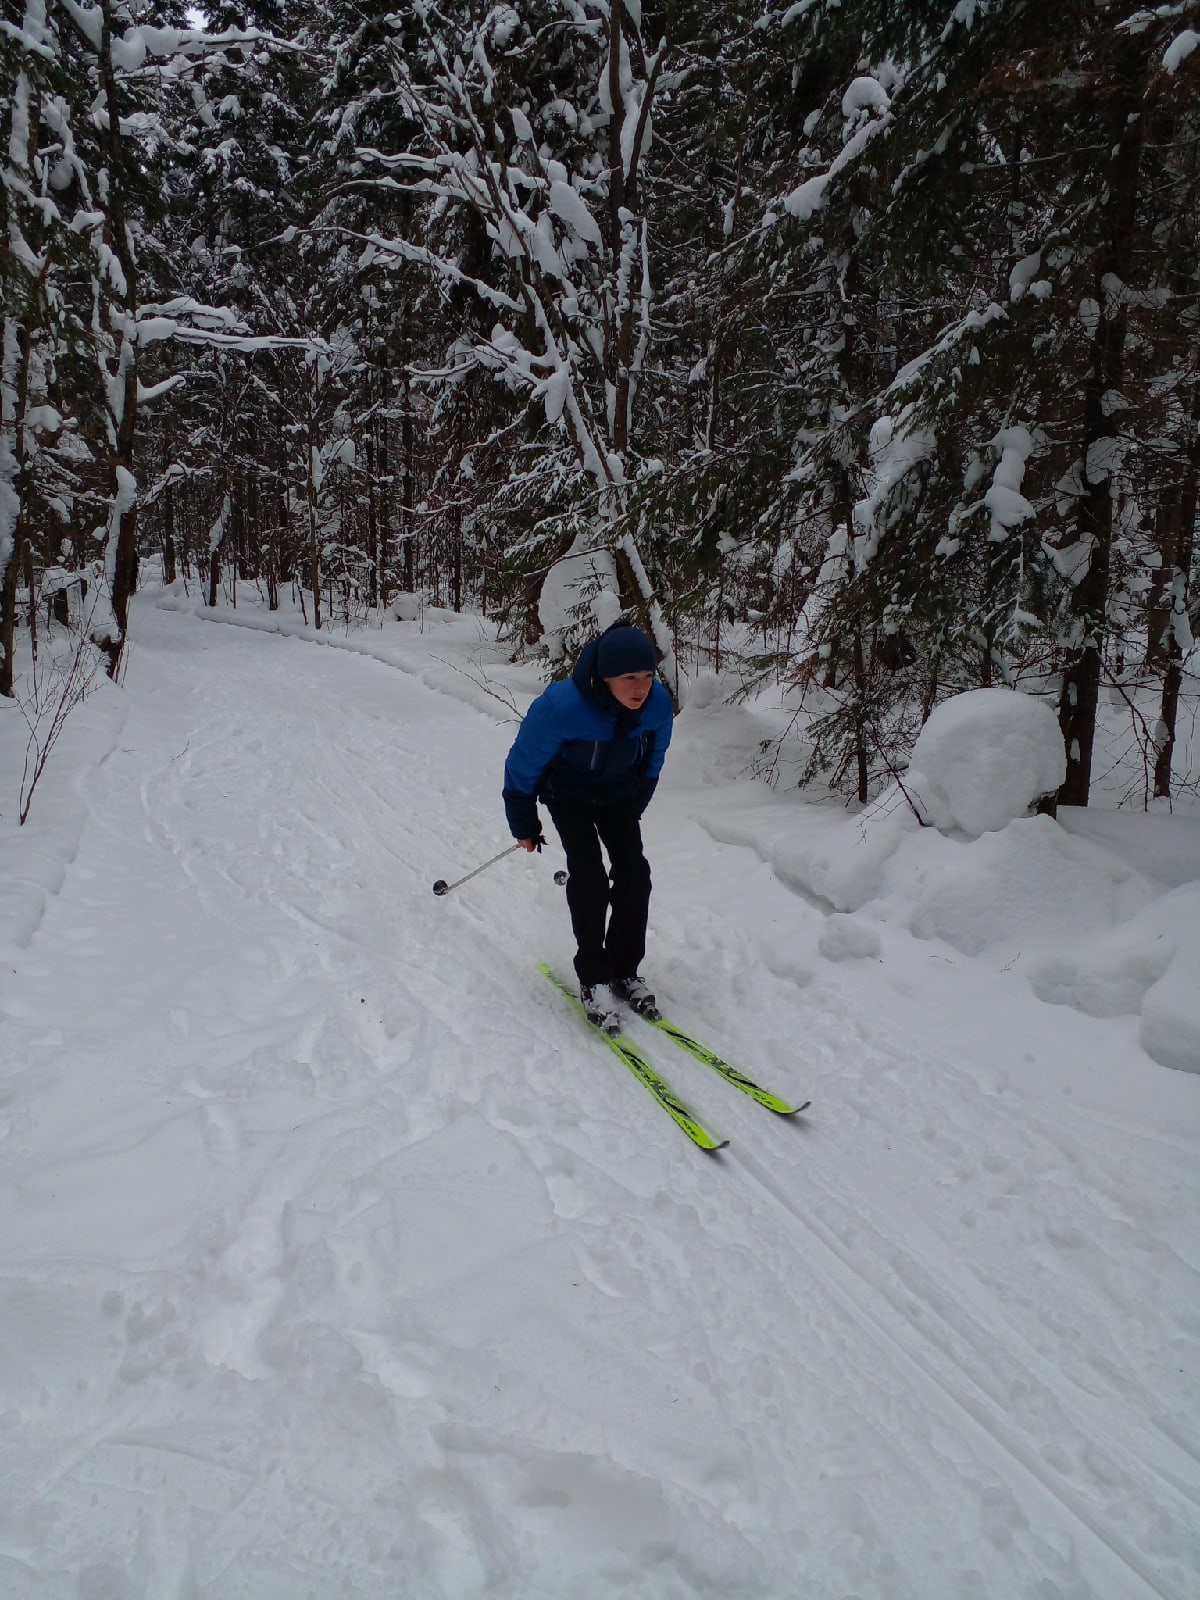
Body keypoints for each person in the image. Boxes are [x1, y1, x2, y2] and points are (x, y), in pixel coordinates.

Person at [503, 620, 674, 1031]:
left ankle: (624, 969)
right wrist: (524, 823)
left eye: (647, 675)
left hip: (619, 794)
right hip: (569, 796)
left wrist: (635, 805)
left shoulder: (655, 705)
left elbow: (653, 760)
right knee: (590, 876)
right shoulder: (562, 707)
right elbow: (522, 765)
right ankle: (594, 975)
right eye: (629, 678)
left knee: (635, 874)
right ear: (605, 676)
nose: (641, 687)